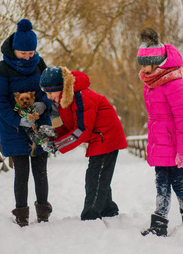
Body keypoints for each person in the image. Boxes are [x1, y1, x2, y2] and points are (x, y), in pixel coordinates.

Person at [39, 65, 128, 221]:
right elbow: (69, 127)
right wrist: (54, 134)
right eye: (46, 93)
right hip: (98, 137)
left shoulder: (81, 96)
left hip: (106, 136)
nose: (49, 97)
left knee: (95, 177)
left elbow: (81, 130)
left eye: (51, 92)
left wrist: (57, 146)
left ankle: (90, 216)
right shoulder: (66, 101)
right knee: (99, 176)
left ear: (60, 88)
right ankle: (109, 209)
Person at [0, 19, 54, 227]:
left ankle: (43, 213)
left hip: (39, 125)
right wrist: (18, 121)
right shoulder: (3, 68)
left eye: (31, 53)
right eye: (23, 53)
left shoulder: (39, 63)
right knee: (21, 172)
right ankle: (21, 214)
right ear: (14, 49)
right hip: (14, 128)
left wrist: (43, 106)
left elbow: (49, 89)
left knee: (40, 170)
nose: (28, 57)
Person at [136, 28, 183, 237]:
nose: (142, 69)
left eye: (145, 65)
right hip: (160, 142)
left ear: (156, 62)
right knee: (164, 181)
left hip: (172, 145)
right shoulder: (152, 83)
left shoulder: (173, 83)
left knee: (175, 182)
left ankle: (166, 222)